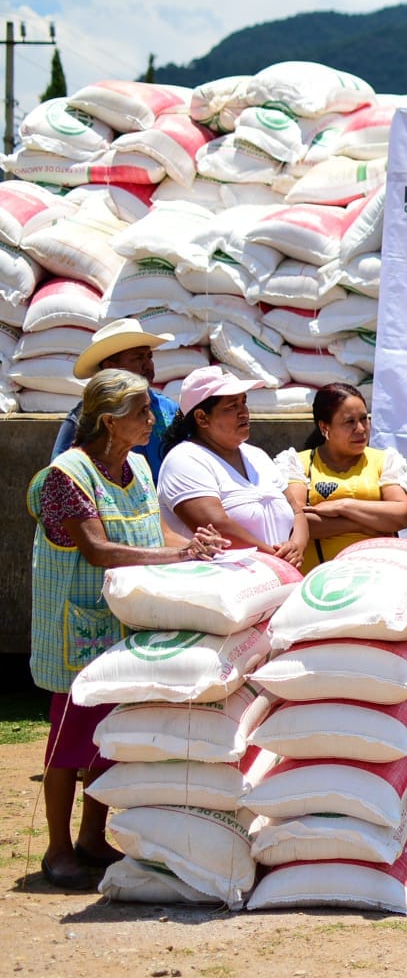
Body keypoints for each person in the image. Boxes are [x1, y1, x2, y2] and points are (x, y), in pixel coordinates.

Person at [28, 369, 226, 890]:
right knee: (68, 739)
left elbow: (147, 525)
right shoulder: (65, 476)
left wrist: (192, 544)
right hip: (77, 630)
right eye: (141, 412)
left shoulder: (136, 466)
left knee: (107, 738)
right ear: (110, 421)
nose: (151, 420)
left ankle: (93, 837)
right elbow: (98, 548)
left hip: (122, 627)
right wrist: (175, 554)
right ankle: (56, 848)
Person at [156, 366, 308, 566]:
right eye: (231, 407)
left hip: (278, 576)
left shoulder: (258, 456)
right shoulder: (184, 460)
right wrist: (277, 559)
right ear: (202, 418)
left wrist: (296, 546)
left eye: (243, 402)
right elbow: (217, 527)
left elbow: (297, 512)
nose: (243, 413)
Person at [276, 383, 407, 573]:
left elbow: (402, 514)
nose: (360, 429)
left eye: (364, 419)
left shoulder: (386, 461)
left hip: (377, 579)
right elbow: (295, 522)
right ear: (325, 427)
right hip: (318, 584)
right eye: (349, 422)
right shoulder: (299, 463)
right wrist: (368, 523)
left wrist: (342, 506)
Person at [52, 319, 179, 478]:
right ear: (111, 367)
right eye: (138, 358)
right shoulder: (85, 415)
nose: (148, 365)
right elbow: (61, 472)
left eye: (149, 356)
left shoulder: (169, 408)